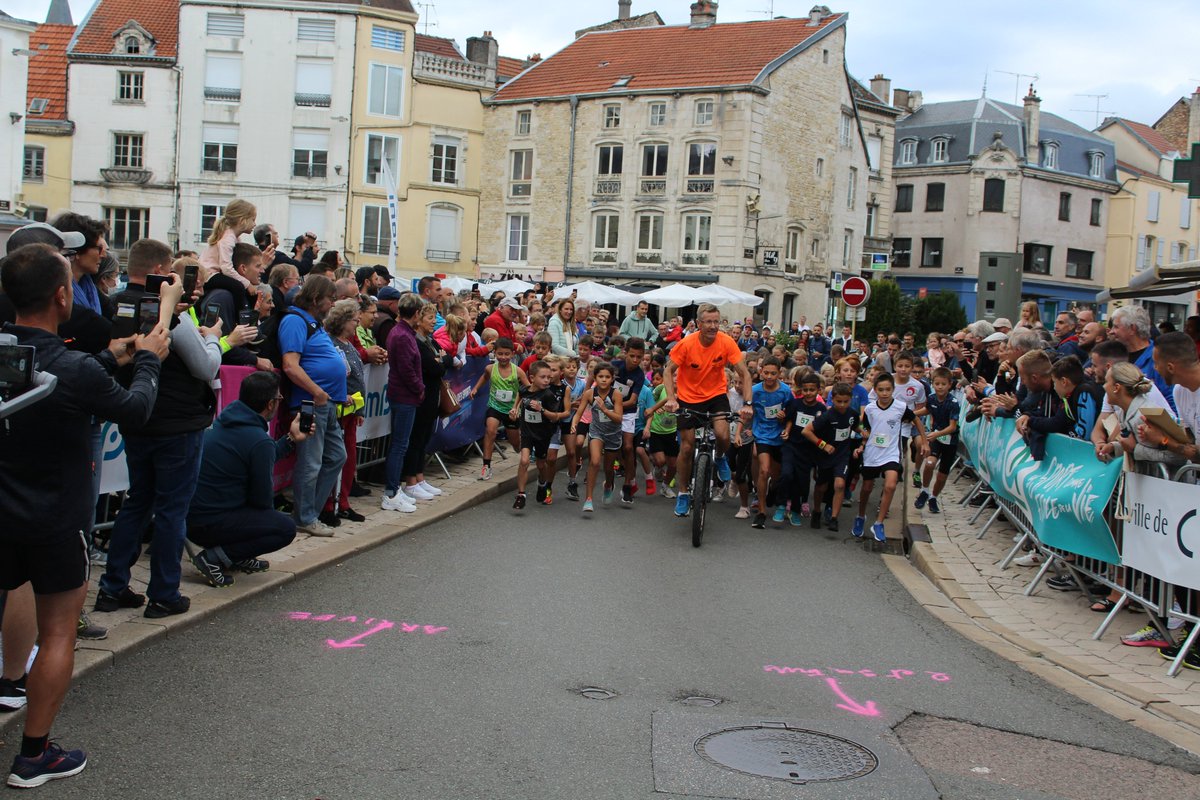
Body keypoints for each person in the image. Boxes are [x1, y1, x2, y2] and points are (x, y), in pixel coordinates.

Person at [0, 243, 167, 788]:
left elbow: (53, 379)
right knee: (57, 635)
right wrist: (147, 360)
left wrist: (112, 358)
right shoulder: (70, 367)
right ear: (63, 294)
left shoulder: (29, 358)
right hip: (54, 521)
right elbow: (136, 410)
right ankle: (34, 755)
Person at [98, 239, 221, 620]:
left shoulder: (116, 306)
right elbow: (205, 368)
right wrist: (214, 339)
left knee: (138, 502)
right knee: (171, 510)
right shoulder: (173, 316)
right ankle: (164, 593)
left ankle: (112, 587)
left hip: (138, 419)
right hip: (178, 423)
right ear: (163, 270)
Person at [186, 371, 302, 587]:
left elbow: (258, 454)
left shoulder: (226, 420)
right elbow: (261, 500)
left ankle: (235, 556)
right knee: (284, 528)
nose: (279, 402)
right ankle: (214, 558)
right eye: (278, 399)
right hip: (211, 523)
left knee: (261, 515)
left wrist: (290, 439)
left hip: (193, 516)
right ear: (270, 404)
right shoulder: (258, 440)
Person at [663, 304, 754, 518]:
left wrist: (748, 403)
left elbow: (745, 374)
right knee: (686, 448)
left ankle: (720, 457)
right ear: (699, 324)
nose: (714, 326)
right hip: (688, 398)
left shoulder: (726, 342)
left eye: (717, 321)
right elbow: (668, 371)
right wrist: (670, 398)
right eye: (709, 322)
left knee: (723, 435)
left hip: (715, 396)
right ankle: (683, 493)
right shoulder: (687, 344)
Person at [279, 275, 348, 535]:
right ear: (317, 298)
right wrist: (317, 392)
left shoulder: (313, 323)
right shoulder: (295, 321)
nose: (332, 304)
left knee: (336, 456)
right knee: (310, 463)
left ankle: (309, 512)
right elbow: (290, 365)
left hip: (325, 402)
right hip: (311, 402)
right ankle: (305, 516)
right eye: (330, 299)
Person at [854, 372, 929, 542]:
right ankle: (860, 516)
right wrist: (862, 444)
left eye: (888, 389)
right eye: (881, 390)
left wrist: (924, 442)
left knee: (890, 485)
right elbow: (865, 428)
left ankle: (879, 523)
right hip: (872, 453)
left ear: (893, 390)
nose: (885, 393)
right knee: (866, 488)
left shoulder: (901, 407)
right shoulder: (871, 409)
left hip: (891, 453)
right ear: (875, 390)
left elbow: (916, 419)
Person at [318, 299, 368, 526]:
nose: (357, 324)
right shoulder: (329, 343)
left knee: (349, 458)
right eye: (355, 320)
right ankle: (328, 504)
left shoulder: (349, 344)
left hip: (352, 409)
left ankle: (343, 502)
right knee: (333, 457)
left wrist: (360, 408)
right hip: (336, 409)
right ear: (343, 320)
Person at [400, 302, 451, 503]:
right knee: (416, 439)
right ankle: (411, 481)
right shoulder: (416, 342)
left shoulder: (430, 341)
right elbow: (433, 367)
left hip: (431, 397)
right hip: (421, 396)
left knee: (424, 438)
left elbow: (445, 360)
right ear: (419, 319)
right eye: (430, 318)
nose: (434, 322)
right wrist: (440, 362)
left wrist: (441, 361)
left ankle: (420, 477)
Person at [381, 293, 426, 512]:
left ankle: (394, 490)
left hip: (403, 394)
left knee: (400, 444)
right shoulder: (402, 335)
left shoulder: (402, 332)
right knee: (399, 445)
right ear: (416, 313)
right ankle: (391, 492)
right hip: (404, 396)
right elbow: (407, 369)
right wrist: (419, 388)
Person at [512, 360, 568, 509]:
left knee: (541, 464)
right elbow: (520, 394)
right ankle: (521, 495)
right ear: (532, 378)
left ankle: (542, 483)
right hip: (527, 432)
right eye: (543, 377)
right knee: (524, 461)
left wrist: (541, 410)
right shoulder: (525, 389)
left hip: (543, 434)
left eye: (548, 377)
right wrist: (514, 409)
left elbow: (554, 416)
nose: (546, 380)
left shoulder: (548, 395)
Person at [571, 361, 624, 512]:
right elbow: (579, 413)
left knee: (608, 468)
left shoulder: (616, 394)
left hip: (613, 434)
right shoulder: (589, 394)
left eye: (607, 377)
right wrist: (574, 423)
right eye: (600, 376)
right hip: (596, 432)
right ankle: (588, 499)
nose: (604, 379)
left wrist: (604, 409)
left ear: (612, 379)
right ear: (595, 377)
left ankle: (608, 485)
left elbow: (619, 418)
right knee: (594, 462)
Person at [747, 357, 792, 528]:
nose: (769, 377)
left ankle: (773, 491)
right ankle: (761, 511)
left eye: (773, 373)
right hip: (762, 435)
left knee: (776, 476)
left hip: (779, 436)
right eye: (766, 373)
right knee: (764, 471)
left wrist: (785, 421)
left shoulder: (786, 391)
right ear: (761, 372)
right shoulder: (755, 390)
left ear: (780, 373)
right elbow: (748, 409)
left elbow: (791, 414)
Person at [1142, 331, 1200, 463]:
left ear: (1170, 367)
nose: (1155, 369)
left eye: (1156, 363)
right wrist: (1162, 428)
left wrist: (1163, 440)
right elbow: (1190, 440)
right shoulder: (1179, 391)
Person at [1110, 305, 1175, 414]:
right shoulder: (1117, 356)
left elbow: (1170, 401)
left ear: (1132, 329)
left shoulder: (1158, 359)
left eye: (1116, 327)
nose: (1111, 331)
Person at [780, 370, 825, 527]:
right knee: (786, 474)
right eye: (805, 390)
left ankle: (795, 510)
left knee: (801, 480)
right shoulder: (795, 404)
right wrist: (785, 427)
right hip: (791, 445)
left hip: (808, 450)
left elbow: (822, 430)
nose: (808, 393)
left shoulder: (821, 409)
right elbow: (789, 420)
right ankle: (781, 504)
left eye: (812, 390)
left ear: (818, 390)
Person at [913, 367, 960, 514]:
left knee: (942, 476)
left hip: (949, 441)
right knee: (929, 463)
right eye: (937, 383)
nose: (940, 387)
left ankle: (933, 497)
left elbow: (953, 427)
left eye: (943, 384)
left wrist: (937, 433)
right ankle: (925, 491)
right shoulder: (932, 398)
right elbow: (928, 410)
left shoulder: (953, 402)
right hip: (936, 439)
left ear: (949, 385)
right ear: (933, 383)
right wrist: (910, 414)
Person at [199, 200, 261, 291]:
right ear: (242, 220)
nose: (254, 224)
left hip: (211, 273)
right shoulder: (228, 239)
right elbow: (226, 268)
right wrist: (247, 284)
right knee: (238, 287)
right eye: (253, 220)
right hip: (209, 275)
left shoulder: (233, 237)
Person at [614, 337, 648, 504]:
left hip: (627, 412)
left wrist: (616, 406)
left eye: (639, 357)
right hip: (609, 410)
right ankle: (625, 471)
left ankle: (628, 485)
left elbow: (633, 400)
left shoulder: (639, 375)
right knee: (616, 448)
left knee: (628, 446)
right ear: (625, 353)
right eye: (632, 356)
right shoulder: (615, 366)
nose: (635, 360)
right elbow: (595, 375)